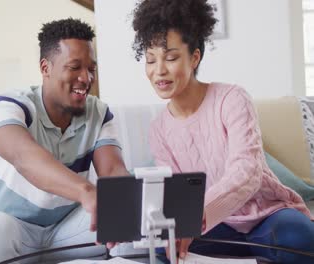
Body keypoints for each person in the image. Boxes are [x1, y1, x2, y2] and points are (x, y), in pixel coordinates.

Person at [131, 0, 314, 263]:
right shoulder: (159, 129)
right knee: (164, 248)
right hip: (216, 227)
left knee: (299, 239)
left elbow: (247, 172)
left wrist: (197, 214)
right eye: (150, 60)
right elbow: (177, 193)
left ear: (194, 57)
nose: (159, 70)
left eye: (170, 57)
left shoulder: (231, 98)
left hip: (265, 215)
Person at [0, 18, 129, 264]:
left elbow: (113, 170)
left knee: (135, 221)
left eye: (91, 69)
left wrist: (127, 202)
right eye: (74, 67)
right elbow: (24, 156)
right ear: (45, 68)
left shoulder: (99, 112)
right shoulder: (9, 105)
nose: (86, 79)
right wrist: (85, 191)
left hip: (69, 229)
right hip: (13, 229)